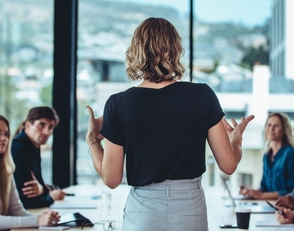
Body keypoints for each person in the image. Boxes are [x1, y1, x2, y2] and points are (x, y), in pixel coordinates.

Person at [86, 17, 254, 231]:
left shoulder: (118, 104)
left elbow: (111, 178)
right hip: (190, 209)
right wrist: (236, 139)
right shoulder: (202, 95)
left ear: (136, 51)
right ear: (175, 49)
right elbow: (228, 166)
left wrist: (92, 140)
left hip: (143, 212)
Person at [0, 113, 59, 230]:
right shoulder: (21, 148)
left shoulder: (5, 171)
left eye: (6, 134)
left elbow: (17, 210)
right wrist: (36, 220)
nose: (4, 138)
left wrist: (42, 218)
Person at [11, 106, 66, 209]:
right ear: (28, 125)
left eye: (50, 127)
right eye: (41, 125)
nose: (47, 132)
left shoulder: (34, 147)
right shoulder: (19, 148)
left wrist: (43, 189)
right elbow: (27, 201)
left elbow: (40, 185)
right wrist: (51, 196)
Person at [239, 113, 294, 200]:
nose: (271, 129)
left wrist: (261, 196)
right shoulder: (266, 155)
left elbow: (291, 191)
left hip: (284, 207)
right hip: (268, 204)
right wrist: (251, 192)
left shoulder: (292, 154)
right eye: (269, 125)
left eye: (276, 126)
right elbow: (264, 187)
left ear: (284, 130)